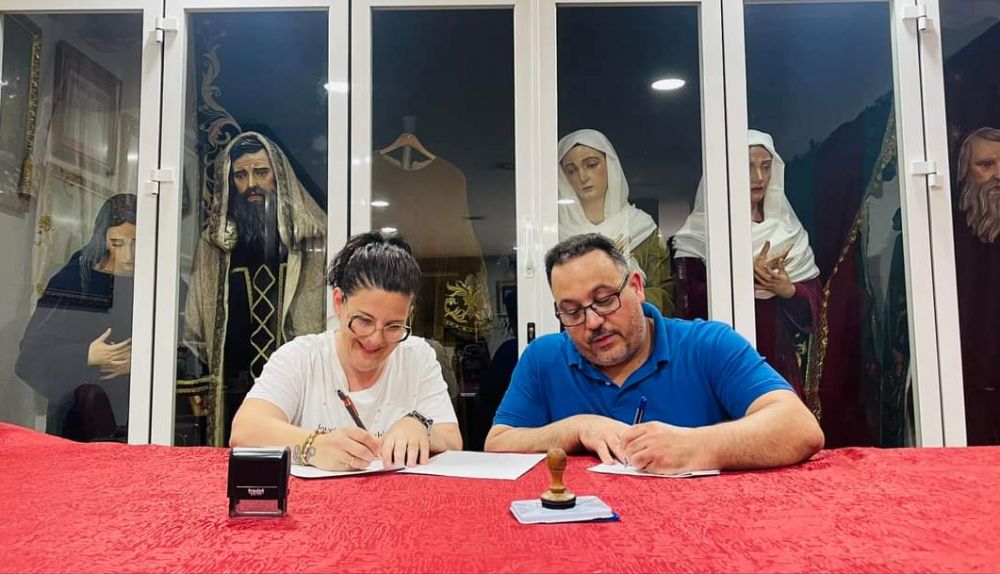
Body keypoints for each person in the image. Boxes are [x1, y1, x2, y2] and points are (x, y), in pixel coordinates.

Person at [484, 233, 823, 474]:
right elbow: (498, 444)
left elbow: (799, 428)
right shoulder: (544, 357)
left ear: (636, 287)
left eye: (604, 300)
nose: (593, 322)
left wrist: (694, 446)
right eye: (572, 311)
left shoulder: (707, 344)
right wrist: (576, 428)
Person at [230, 231, 462, 470]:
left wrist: (419, 426)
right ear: (339, 302)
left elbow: (451, 439)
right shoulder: (301, 357)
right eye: (364, 320)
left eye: (393, 326)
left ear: (408, 315)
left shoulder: (417, 357)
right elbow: (245, 430)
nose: (375, 339)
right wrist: (314, 446)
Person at [181, 131, 328, 446]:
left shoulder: (312, 241)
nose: (251, 184)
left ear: (279, 176)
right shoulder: (215, 246)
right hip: (233, 385)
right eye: (240, 175)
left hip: (297, 384)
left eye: (261, 172)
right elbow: (196, 326)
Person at [673, 130, 822, 396]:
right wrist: (742, 278)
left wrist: (788, 290)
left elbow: (816, 304)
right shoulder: (701, 232)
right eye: (748, 167)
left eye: (766, 167)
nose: (759, 177)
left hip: (775, 360)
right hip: (718, 358)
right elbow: (687, 306)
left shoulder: (787, 230)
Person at [16, 193, 137, 441]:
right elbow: (30, 357)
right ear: (103, 239)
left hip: (138, 419)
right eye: (117, 243)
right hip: (76, 423)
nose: (128, 255)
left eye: (137, 242)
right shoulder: (73, 282)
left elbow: (188, 354)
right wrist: (88, 354)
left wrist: (141, 363)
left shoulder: (163, 286)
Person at [558, 129, 674, 316]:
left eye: (592, 165)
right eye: (571, 170)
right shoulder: (558, 233)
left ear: (610, 165)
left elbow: (666, 295)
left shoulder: (642, 228)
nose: (583, 177)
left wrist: (624, 283)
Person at [952, 127, 1000, 445]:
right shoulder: (946, 241)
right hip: (969, 397)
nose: (998, 176)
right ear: (964, 173)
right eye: (986, 165)